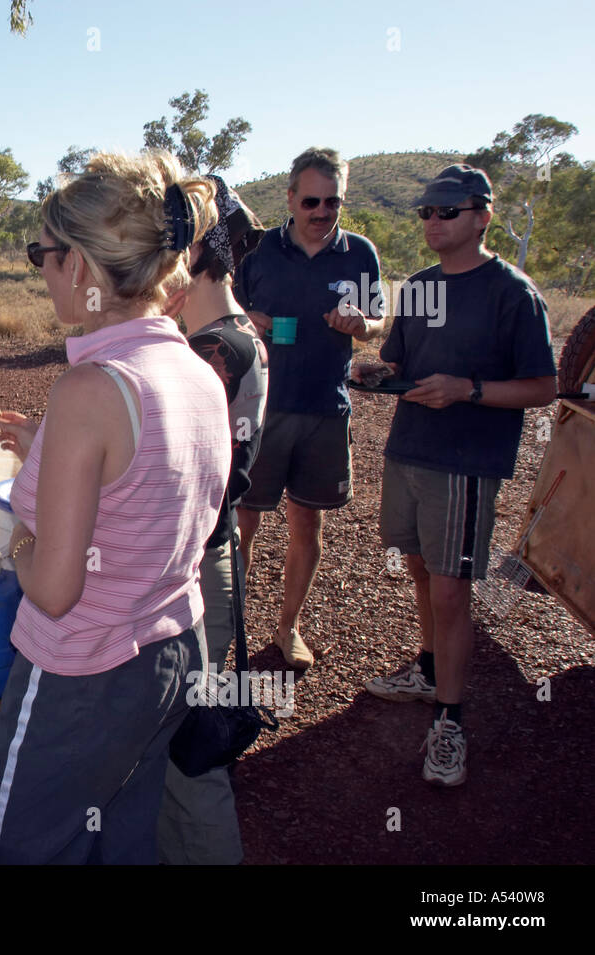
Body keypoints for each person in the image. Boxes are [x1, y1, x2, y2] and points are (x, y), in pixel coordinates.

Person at [0, 152, 231, 865]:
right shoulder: (199, 374)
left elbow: (55, 587)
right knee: (119, 838)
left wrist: (21, 534)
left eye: (43, 255)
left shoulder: (90, 389)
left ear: (80, 266)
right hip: (172, 655)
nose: (42, 272)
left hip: (80, 673)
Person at [363, 164, 556, 786]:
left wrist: (467, 390)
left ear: (482, 216)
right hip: (409, 450)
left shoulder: (514, 293)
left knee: (451, 590)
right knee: (418, 567)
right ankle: (427, 669)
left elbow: (544, 388)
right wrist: (375, 372)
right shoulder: (418, 286)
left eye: (446, 212)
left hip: (465, 466)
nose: (432, 222)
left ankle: (451, 720)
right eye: (426, 212)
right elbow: (398, 358)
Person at [234, 147, 387, 668]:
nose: (322, 211)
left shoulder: (359, 254)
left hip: (325, 407)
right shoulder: (260, 255)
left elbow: (377, 320)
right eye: (312, 201)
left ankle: (287, 627)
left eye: (333, 201)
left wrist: (360, 326)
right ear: (291, 198)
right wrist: (246, 319)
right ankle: (230, 623)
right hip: (262, 410)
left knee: (307, 524)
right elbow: (225, 316)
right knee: (243, 523)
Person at [157, 176, 268, 865]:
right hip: (208, 564)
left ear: (191, 256)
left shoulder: (212, 354)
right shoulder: (230, 334)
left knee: (189, 760)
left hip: (197, 573)